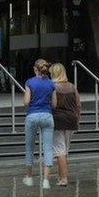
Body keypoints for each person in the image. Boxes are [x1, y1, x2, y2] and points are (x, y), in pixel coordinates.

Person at [23, 59, 57, 189]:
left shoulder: (30, 82)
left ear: (35, 69)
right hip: (47, 116)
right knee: (47, 148)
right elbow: (54, 104)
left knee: (30, 147)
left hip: (32, 115)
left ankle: (30, 178)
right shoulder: (51, 84)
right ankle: (46, 181)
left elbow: (26, 102)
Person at [49, 63, 81, 187]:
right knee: (64, 150)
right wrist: (78, 119)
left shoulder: (53, 87)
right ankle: (62, 176)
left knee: (59, 150)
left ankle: (63, 179)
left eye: (51, 73)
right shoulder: (72, 87)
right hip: (72, 120)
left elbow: (53, 105)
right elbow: (78, 104)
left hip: (58, 120)